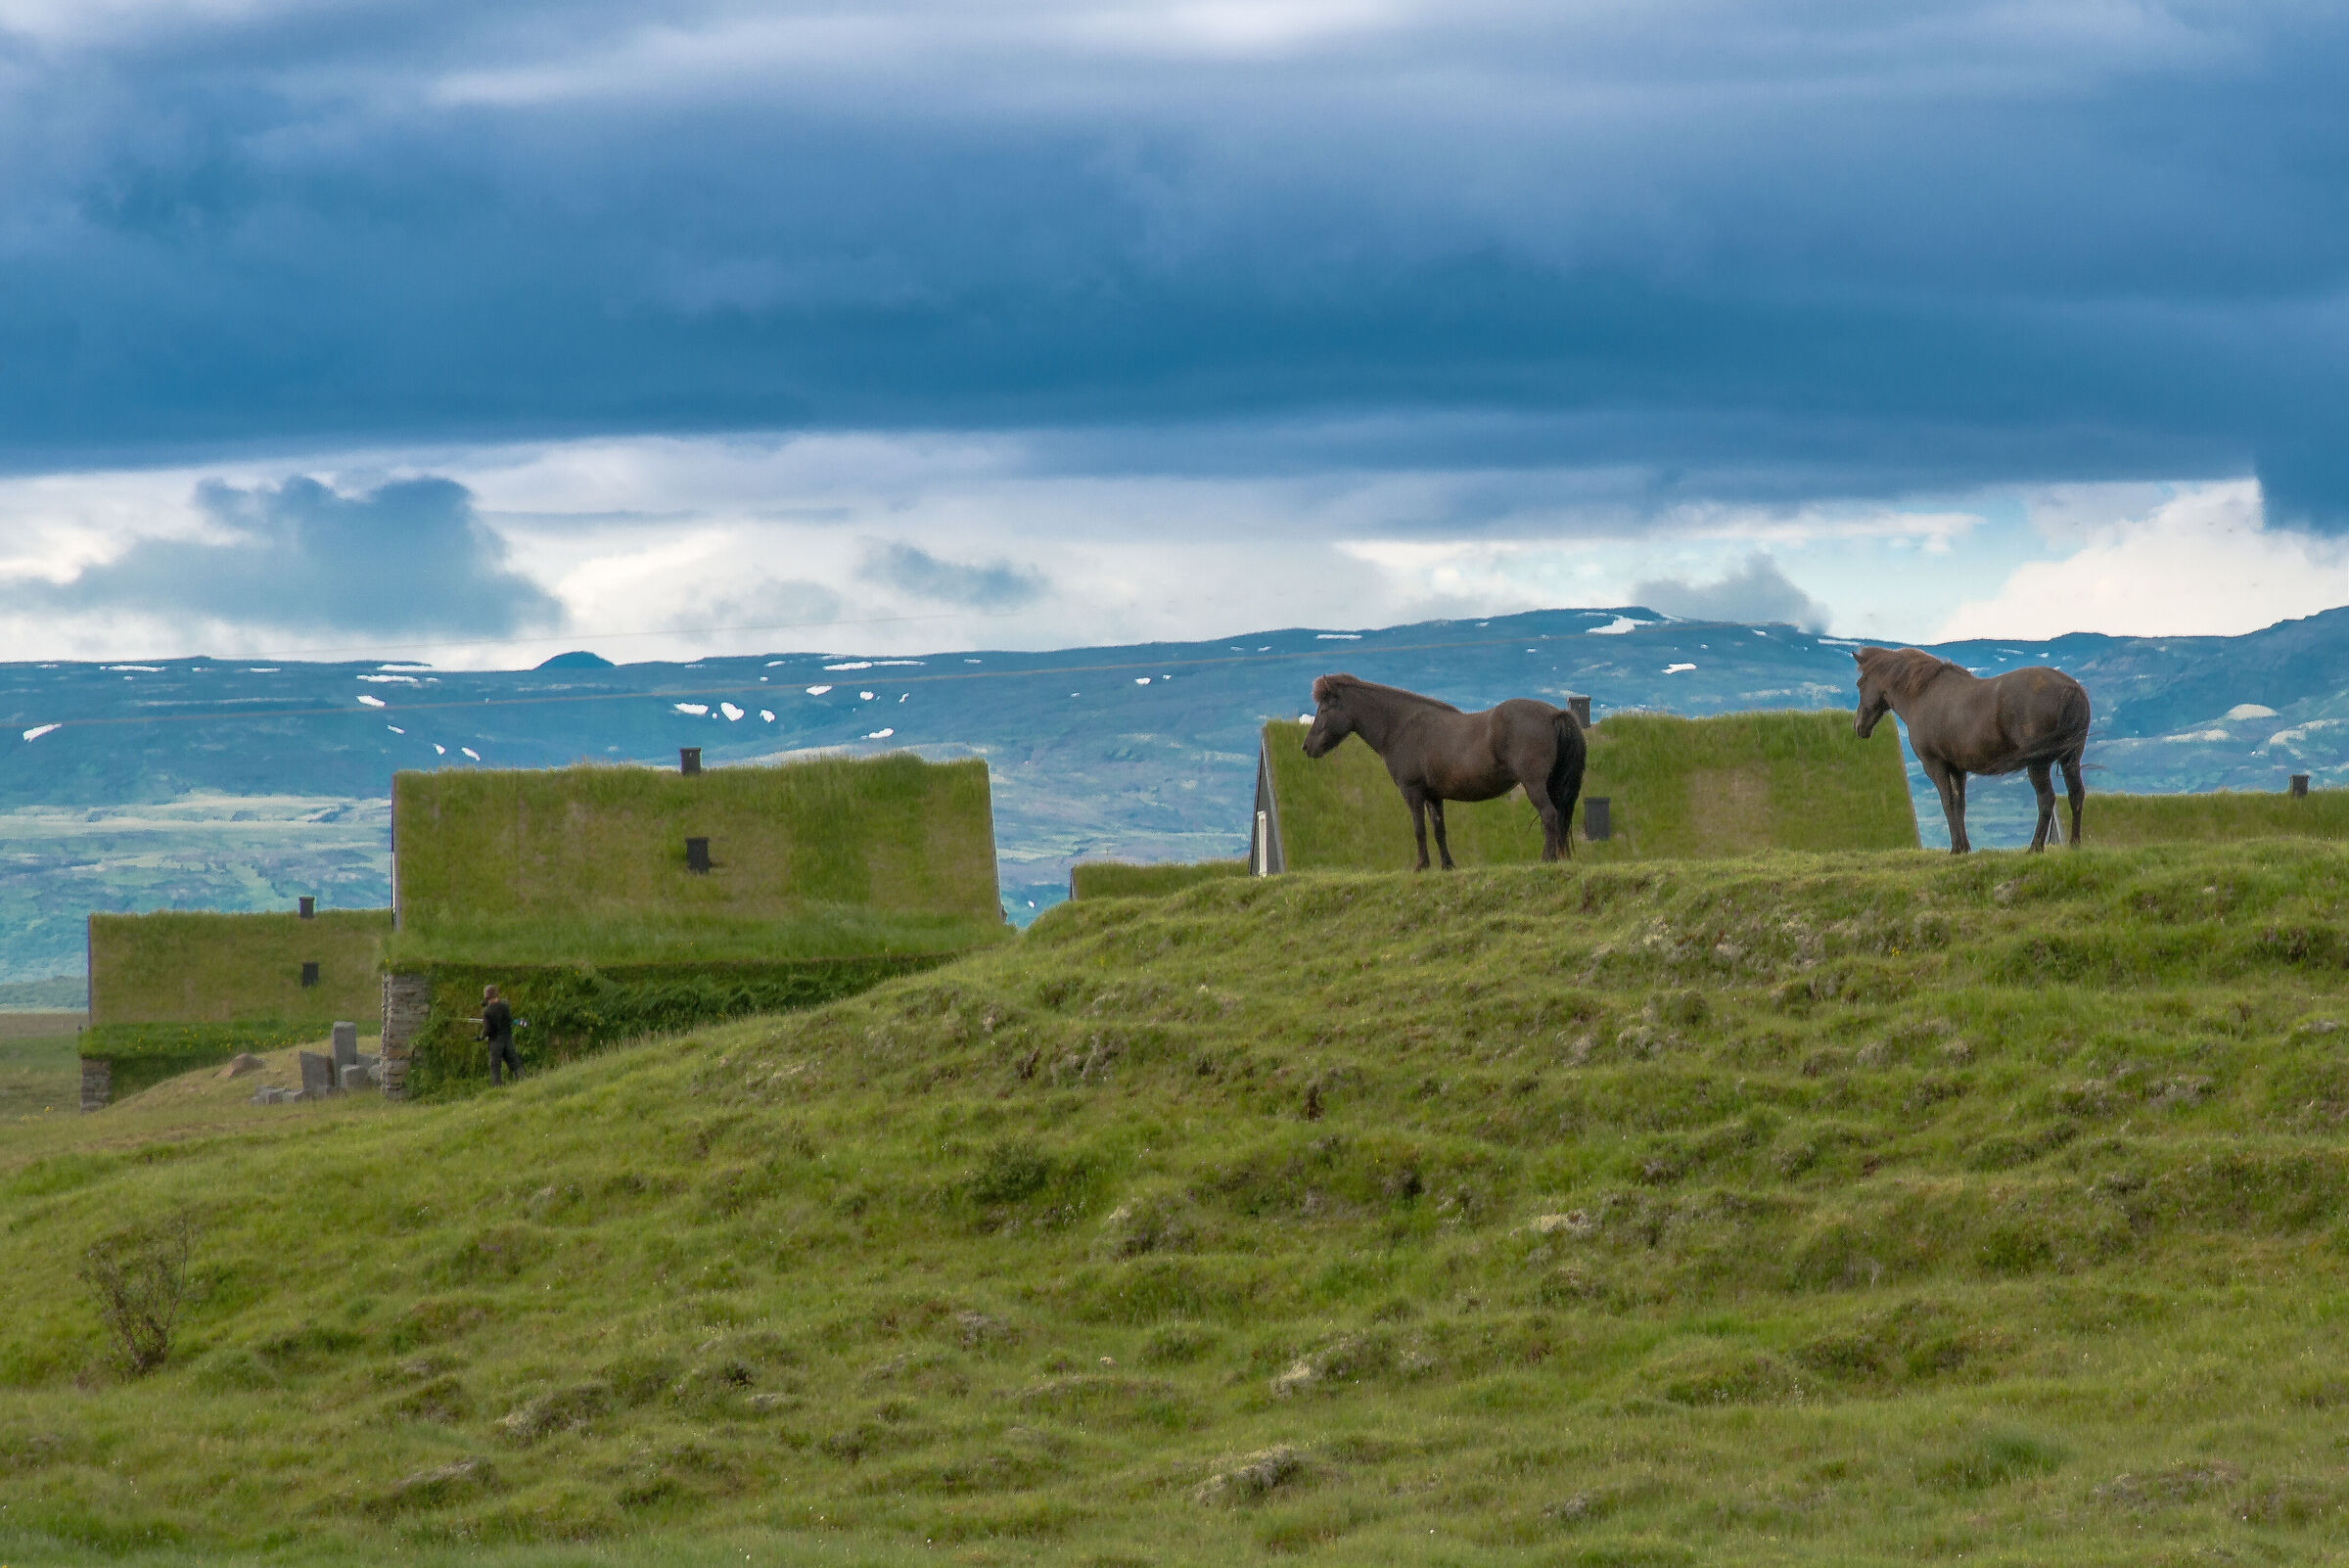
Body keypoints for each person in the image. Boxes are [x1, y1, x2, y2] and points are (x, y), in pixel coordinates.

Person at [479, 984, 520, 1085]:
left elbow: (487, 1029)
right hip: (507, 1038)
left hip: (495, 1042)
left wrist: (480, 1037)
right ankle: (524, 1082)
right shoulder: (505, 1005)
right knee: (515, 1063)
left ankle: (497, 1088)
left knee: (495, 1067)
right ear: (496, 994)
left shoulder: (486, 1011)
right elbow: (508, 1019)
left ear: (486, 996)